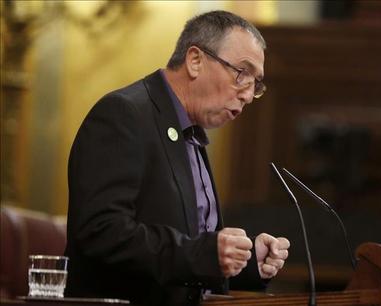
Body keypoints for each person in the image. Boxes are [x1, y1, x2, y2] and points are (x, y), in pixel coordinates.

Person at [65, 10, 290, 306]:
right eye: (242, 73)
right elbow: (101, 233)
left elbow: (190, 256)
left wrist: (245, 263)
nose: (248, 95)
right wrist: (207, 253)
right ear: (195, 60)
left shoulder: (190, 133)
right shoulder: (123, 115)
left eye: (256, 83)